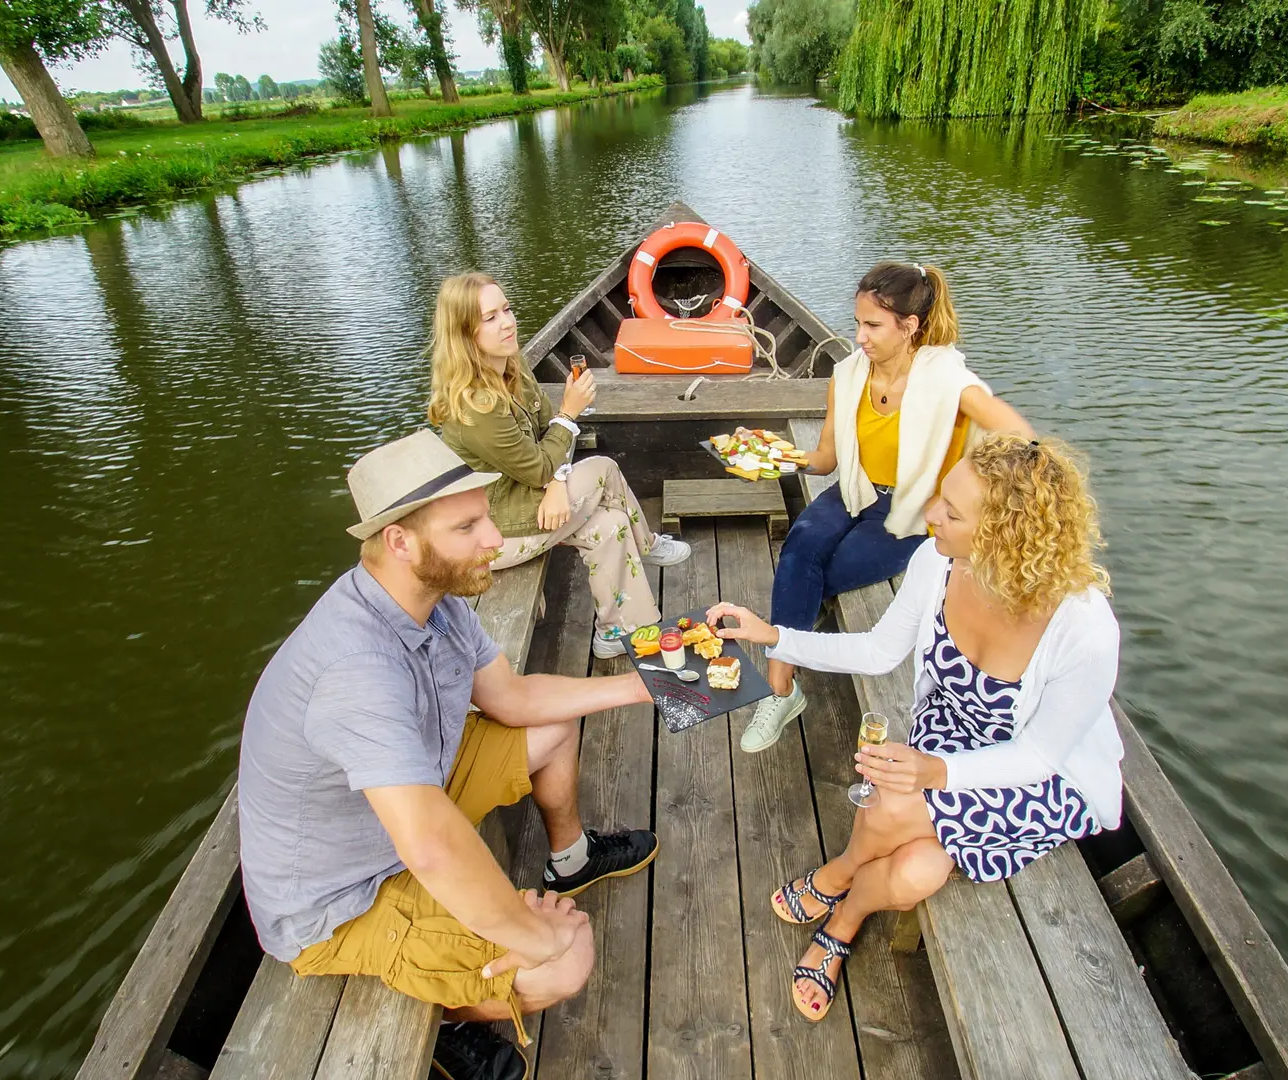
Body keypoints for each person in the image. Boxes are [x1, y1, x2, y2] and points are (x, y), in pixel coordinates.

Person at [237, 428, 661, 1078]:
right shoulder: (356, 666)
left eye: (486, 516)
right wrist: (538, 934)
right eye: (468, 526)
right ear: (400, 542)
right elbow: (429, 846)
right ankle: (450, 1020)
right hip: (345, 894)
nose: (493, 537)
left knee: (554, 729)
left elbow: (512, 699)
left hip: (407, 801)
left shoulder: (433, 599)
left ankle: (571, 862)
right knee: (567, 960)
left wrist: (642, 684)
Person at [707, 432, 1122, 1023]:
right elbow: (879, 651)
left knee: (891, 808)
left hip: (1041, 776)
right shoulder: (937, 562)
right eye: (938, 497)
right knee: (915, 872)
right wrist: (773, 635)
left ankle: (836, 885)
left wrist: (935, 771)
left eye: (951, 511)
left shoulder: (1084, 628)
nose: (929, 514)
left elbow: (1041, 754)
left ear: (1006, 534)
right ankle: (845, 922)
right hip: (955, 729)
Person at [739, 261, 1036, 754]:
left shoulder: (947, 380)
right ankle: (781, 692)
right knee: (800, 548)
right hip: (856, 489)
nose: (860, 338)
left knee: (822, 572)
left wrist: (962, 491)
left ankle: (784, 651)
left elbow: (1021, 438)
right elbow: (827, 459)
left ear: (910, 326)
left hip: (913, 512)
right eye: (857, 323)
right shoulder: (849, 375)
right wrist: (775, 456)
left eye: (873, 326)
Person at [430, 272, 691, 660]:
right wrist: (570, 414)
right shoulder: (475, 405)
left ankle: (616, 633)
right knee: (602, 467)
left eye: (507, 309)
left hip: (528, 497)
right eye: (489, 318)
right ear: (464, 334)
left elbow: (548, 436)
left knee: (610, 525)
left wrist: (557, 479)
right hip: (491, 532)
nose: (507, 322)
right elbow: (553, 440)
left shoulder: (510, 368)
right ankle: (647, 543)